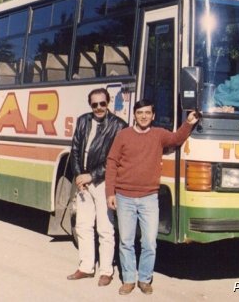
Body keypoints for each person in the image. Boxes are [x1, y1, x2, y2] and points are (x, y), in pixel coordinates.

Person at [105, 100, 200, 295]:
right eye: (140, 113)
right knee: (126, 241)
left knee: (149, 242)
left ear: (153, 116)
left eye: (148, 113)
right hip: (124, 197)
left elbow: (176, 139)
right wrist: (110, 193)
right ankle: (129, 279)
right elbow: (112, 163)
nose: (144, 116)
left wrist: (189, 122)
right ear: (134, 115)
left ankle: (145, 279)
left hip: (149, 197)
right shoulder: (123, 135)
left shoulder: (159, 134)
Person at [66, 88, 128, 286]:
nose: (99, 108)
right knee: (83, 225)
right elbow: (75, 149)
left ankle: (106, 271)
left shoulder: (118, 126)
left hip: (103, 183)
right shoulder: (83, 121)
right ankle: (86, 267)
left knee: (105, 228)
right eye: (95, 105)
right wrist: (79, 176)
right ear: (90, 105)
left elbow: (115, 159)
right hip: (84, 183)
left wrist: (91, 176)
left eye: (102, 103)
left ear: (108, 103)